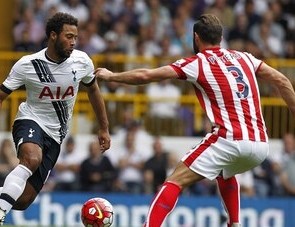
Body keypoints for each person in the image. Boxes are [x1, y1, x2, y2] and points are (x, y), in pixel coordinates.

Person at [95, 14, 295, 227]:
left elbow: (146, 75)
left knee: (175, 180)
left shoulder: (197, 63)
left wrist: (111, 76)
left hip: (229, 139)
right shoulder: (245, 57)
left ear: (196, 37)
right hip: (260, 145)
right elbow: (282, 80)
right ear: (221, 37)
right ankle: (234, 224)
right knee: (225, 173)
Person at [0, 12, 110, 227]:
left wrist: (104, 128)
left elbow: (94, 91)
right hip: (30, 120)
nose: (73, 42)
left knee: (22, 201)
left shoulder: (82, 61)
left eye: (75, 38)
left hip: (56, 134)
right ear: (53, 35)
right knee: (31, 159)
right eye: (68, 37)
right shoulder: (28, 64)